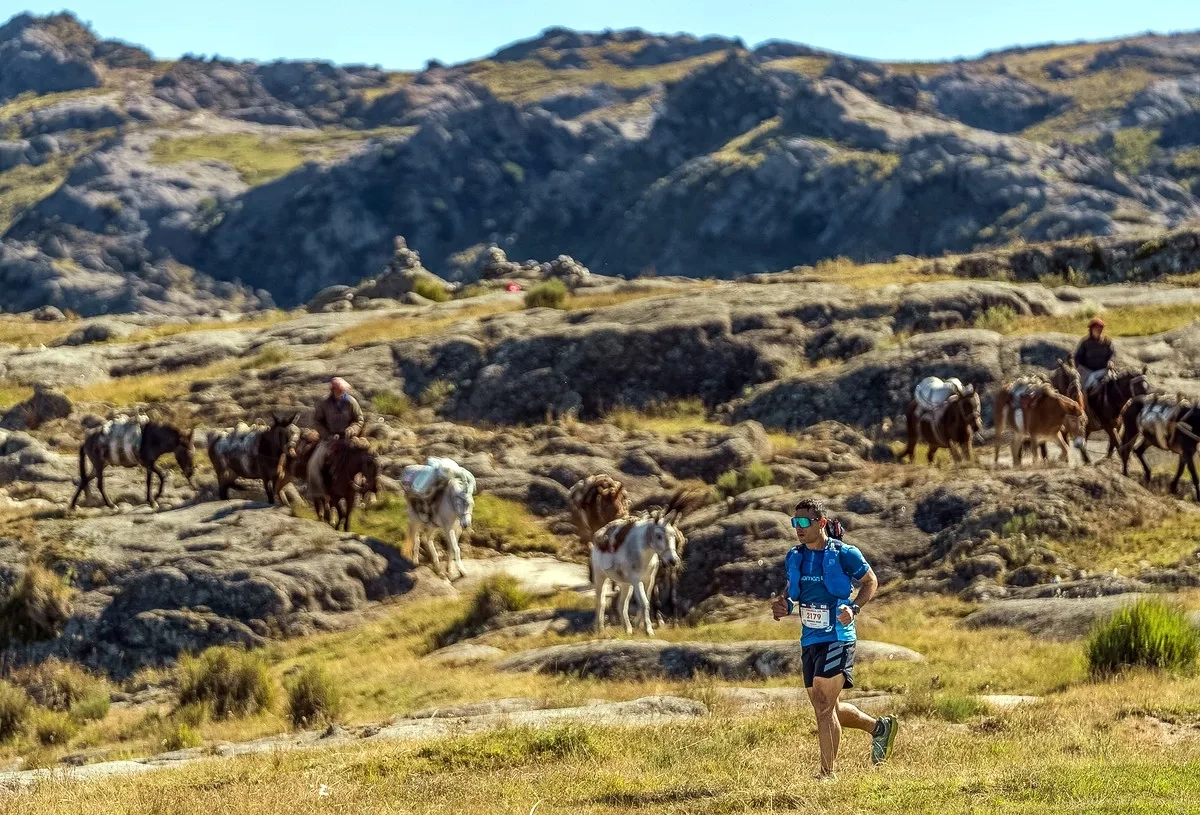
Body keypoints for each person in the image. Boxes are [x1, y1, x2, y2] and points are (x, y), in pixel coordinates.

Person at [772, 497, 897, 780]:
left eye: (805, 522)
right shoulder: (795, 556)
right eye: (795, 522)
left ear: (822, 523)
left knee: (824, 707)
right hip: (810, 638)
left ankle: (826, 775)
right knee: (829, 706)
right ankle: (880, 728)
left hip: (838, 636)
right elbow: (794, 593)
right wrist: (785, 606)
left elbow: (870, 581)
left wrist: (853, 608)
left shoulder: (845, 553)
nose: (799, 528)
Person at [307, 377, 364, 501]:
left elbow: (359, 420)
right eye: (338, 390)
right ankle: (317, 492)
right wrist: (326, 434)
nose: (340, 392)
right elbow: (317, 421)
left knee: (365, 459)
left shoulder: (351, 402)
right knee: (313, 464)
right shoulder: (323, 403)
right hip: (328, 439)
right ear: (332, 390)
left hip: (348, 438)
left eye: (342, 390)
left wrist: (352, 429)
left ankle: (365, 491)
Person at [1074, 317, 1115, 406]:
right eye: (1096, 328)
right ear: (1091, 329)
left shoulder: (1107, 342)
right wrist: (1080, 367)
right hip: (1088, 371)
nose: (1099, 330)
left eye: (1100, 328)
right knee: (1083, 388)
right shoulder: (1085, 342)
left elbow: (1112, 354)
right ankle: (1085, 406)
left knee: (1114, 383)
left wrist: (1111, 361)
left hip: (1103, 370)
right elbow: (1077, 357)